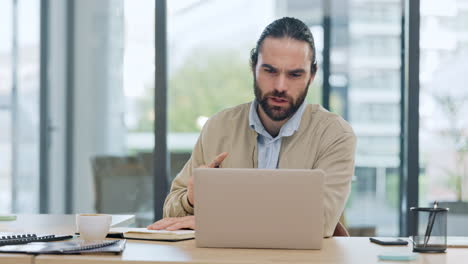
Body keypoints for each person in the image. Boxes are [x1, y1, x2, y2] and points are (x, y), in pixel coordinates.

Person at [148, 17, 356, 237]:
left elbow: (319, 223)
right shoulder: (218, 127)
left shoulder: (335, 135)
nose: (280, 86)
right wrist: (191, 200)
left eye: (295, 74)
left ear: (312, 75)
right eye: (270, 71)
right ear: (253, 67)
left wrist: (217, 222)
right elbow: (171, 215)